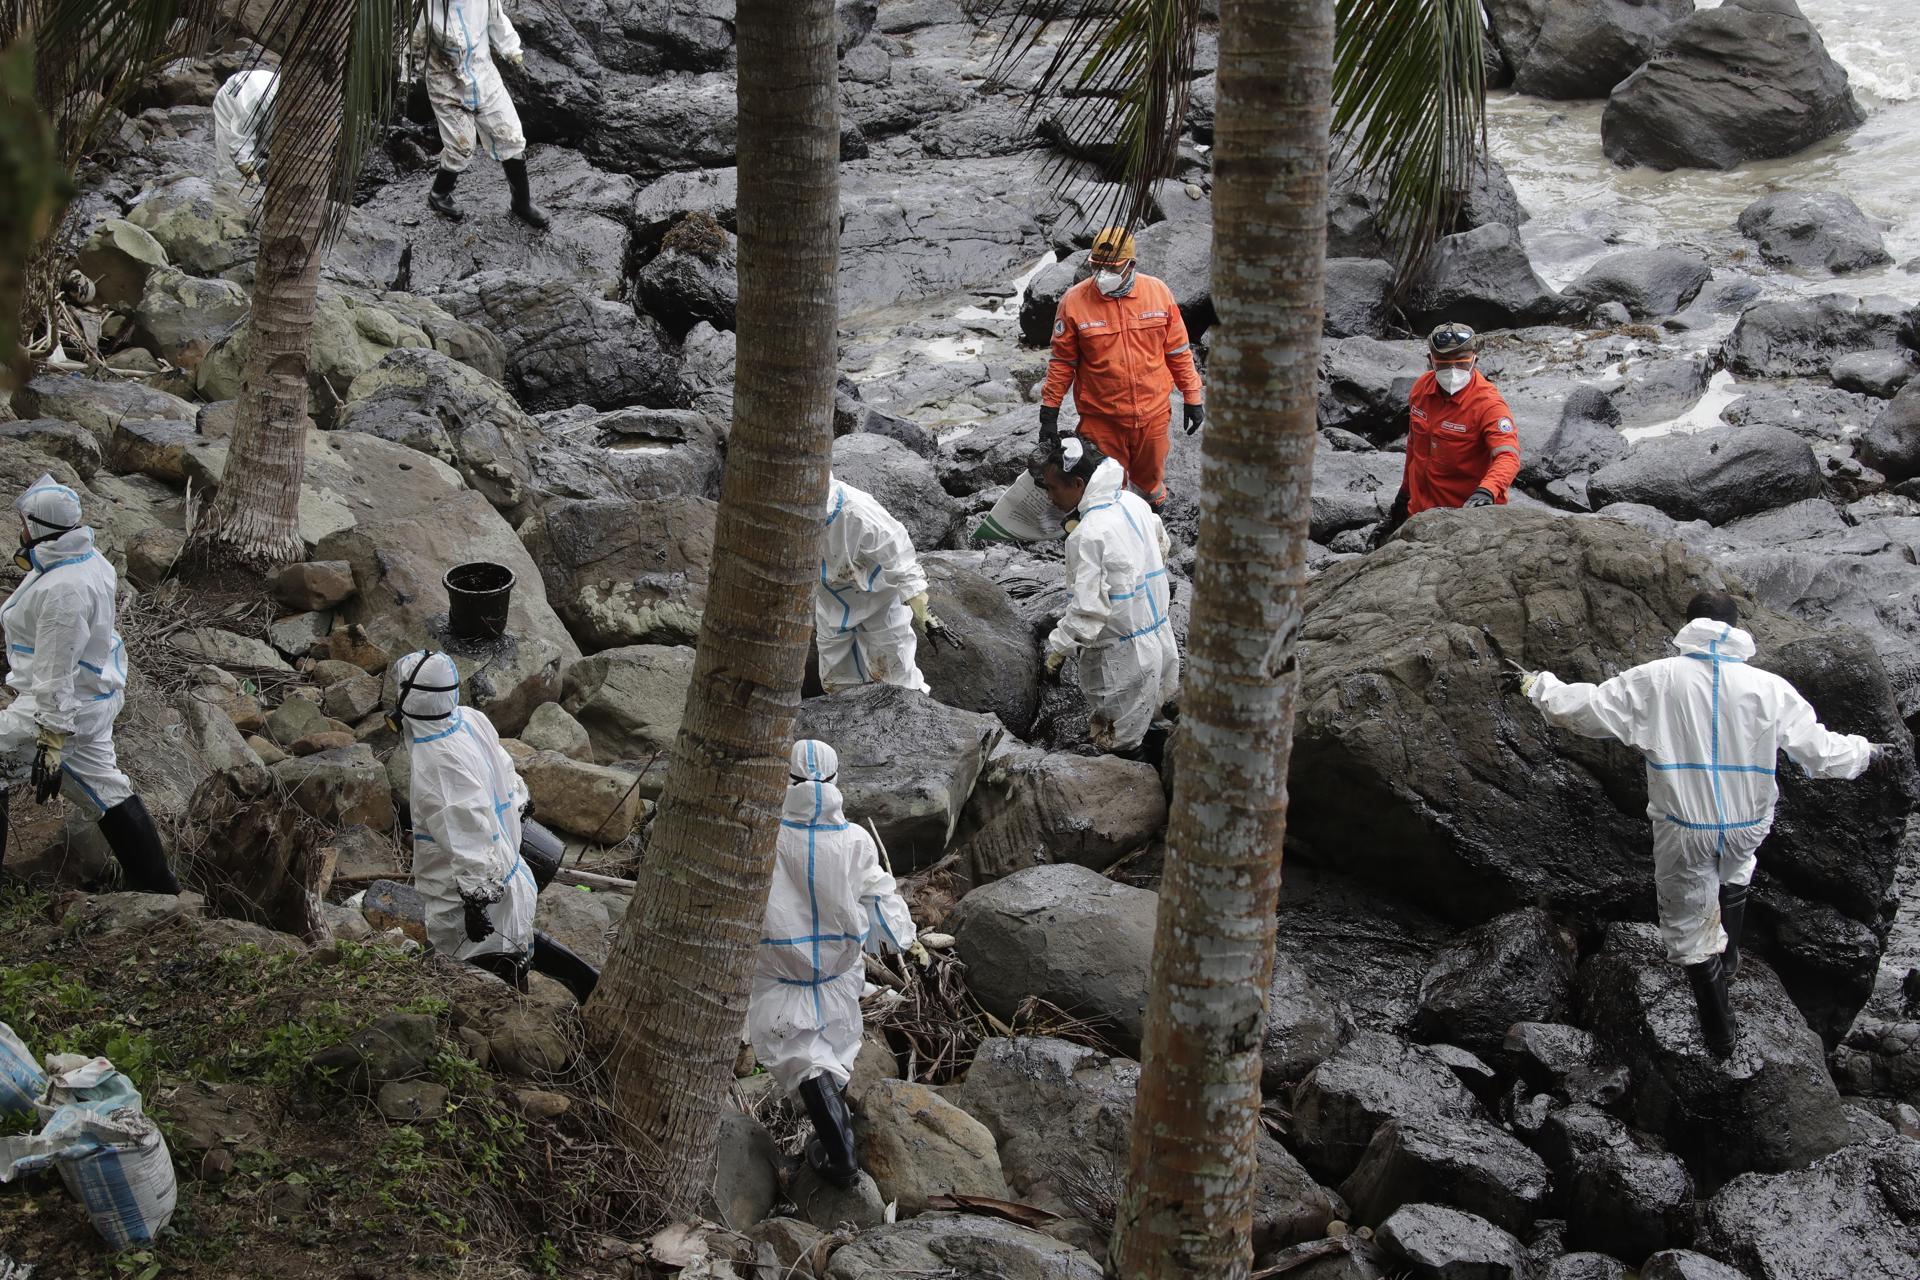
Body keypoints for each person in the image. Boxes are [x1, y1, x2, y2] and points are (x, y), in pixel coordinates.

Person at [1511, 591, 1886, 1058]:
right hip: (1749, 820)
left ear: (1688, 625)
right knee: (1736, 869)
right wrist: (1867, 753)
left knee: (1687, 921)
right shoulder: (1770, 687)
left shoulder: (1658, 679)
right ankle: (1728, 960)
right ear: (1737, 626)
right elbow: (1820, 751)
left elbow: (1584, 709)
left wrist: (1536, 685)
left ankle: (1720, 1032)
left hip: (1686, 823)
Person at [749, 740, 922, 1188]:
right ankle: (838, 1144)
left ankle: (841, 1154)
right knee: (828, 1051)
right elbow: (880, 895)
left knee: (802, 1057)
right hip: (837, 972)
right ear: (834, 779)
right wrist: (899, 936)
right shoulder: (854, 839)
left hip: (779, 968)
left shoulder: (763, 832)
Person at [389, 650, 599, 1002]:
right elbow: (504, 767)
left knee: (477, 985)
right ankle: (586, 986)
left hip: (473, 897)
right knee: (515, 945)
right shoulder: (467, 719)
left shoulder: (435, 764)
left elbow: (469, 837)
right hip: (512, 871)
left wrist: (476, 901)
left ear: (409, 697)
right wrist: (520, 801)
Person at [0, 476, 176, 893]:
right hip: (95, 696)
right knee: (107, 788)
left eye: (24, 522)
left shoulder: (64, 590)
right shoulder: (86, 556)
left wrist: (51, 739)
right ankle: (158, 888)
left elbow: (55, 672)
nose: (20, 528)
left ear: (39, 528)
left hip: (65, 705)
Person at [1040, 226, 1206, 513]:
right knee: (1105, 487)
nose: (1103, 274)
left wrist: (1192, 397)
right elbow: (1062, 363)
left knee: (1151, 482)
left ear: (1131, 265)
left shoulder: (1158, 293)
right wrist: (1049, 412)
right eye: (1097, 266)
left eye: (1112, 268)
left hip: (1152, 414)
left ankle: (1154, 521)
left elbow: (1178, 351)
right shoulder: (1074, 302)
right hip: (1101, 419)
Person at [1037, 438, 1180, 756]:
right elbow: (1162, 547)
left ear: (1078, 484)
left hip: (1122, 655)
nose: (1049, 497)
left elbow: (1088, 609)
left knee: (1118, 741)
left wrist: (1059, 649)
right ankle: (1166, 777)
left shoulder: (1089, 534)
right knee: (1159, 721)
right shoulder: (1133, 503)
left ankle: (1134, 793)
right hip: (1158, 633)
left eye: (1051, 489)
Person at [1375, 322, 1522, 546]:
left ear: (1475, 361)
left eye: (1461, 363)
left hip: (1467, 522)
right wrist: (1403, 496)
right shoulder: (1421, 390)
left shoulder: (1489, 405)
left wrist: (1487, 491)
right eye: (1443, 363)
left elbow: (1508, 456)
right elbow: (1414, 447)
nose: (1453, 370)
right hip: (1420, 516)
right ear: (1430, 360)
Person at [412, 0, 549, 229]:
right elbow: (414, 43)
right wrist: (410, 75)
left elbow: (497, 21)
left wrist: (512, 51)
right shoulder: (424, 6)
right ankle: (439, 193)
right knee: (461, 145)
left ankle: (522, 202)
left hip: (484, 75)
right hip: (445, 82)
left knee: (510, 135)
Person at [815, 472, 956, 694]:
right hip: (830, 606)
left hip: (878, 602)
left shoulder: (857, 511)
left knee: (898, 676)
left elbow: (900, 556)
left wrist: (922, 609)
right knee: (837, 679)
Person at [212, 68, 278, 183]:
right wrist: (248, 171)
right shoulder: (261, 97)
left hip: (260, 106)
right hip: (232, 100)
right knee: (229, 166)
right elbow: (240, 138)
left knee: (256, 153)